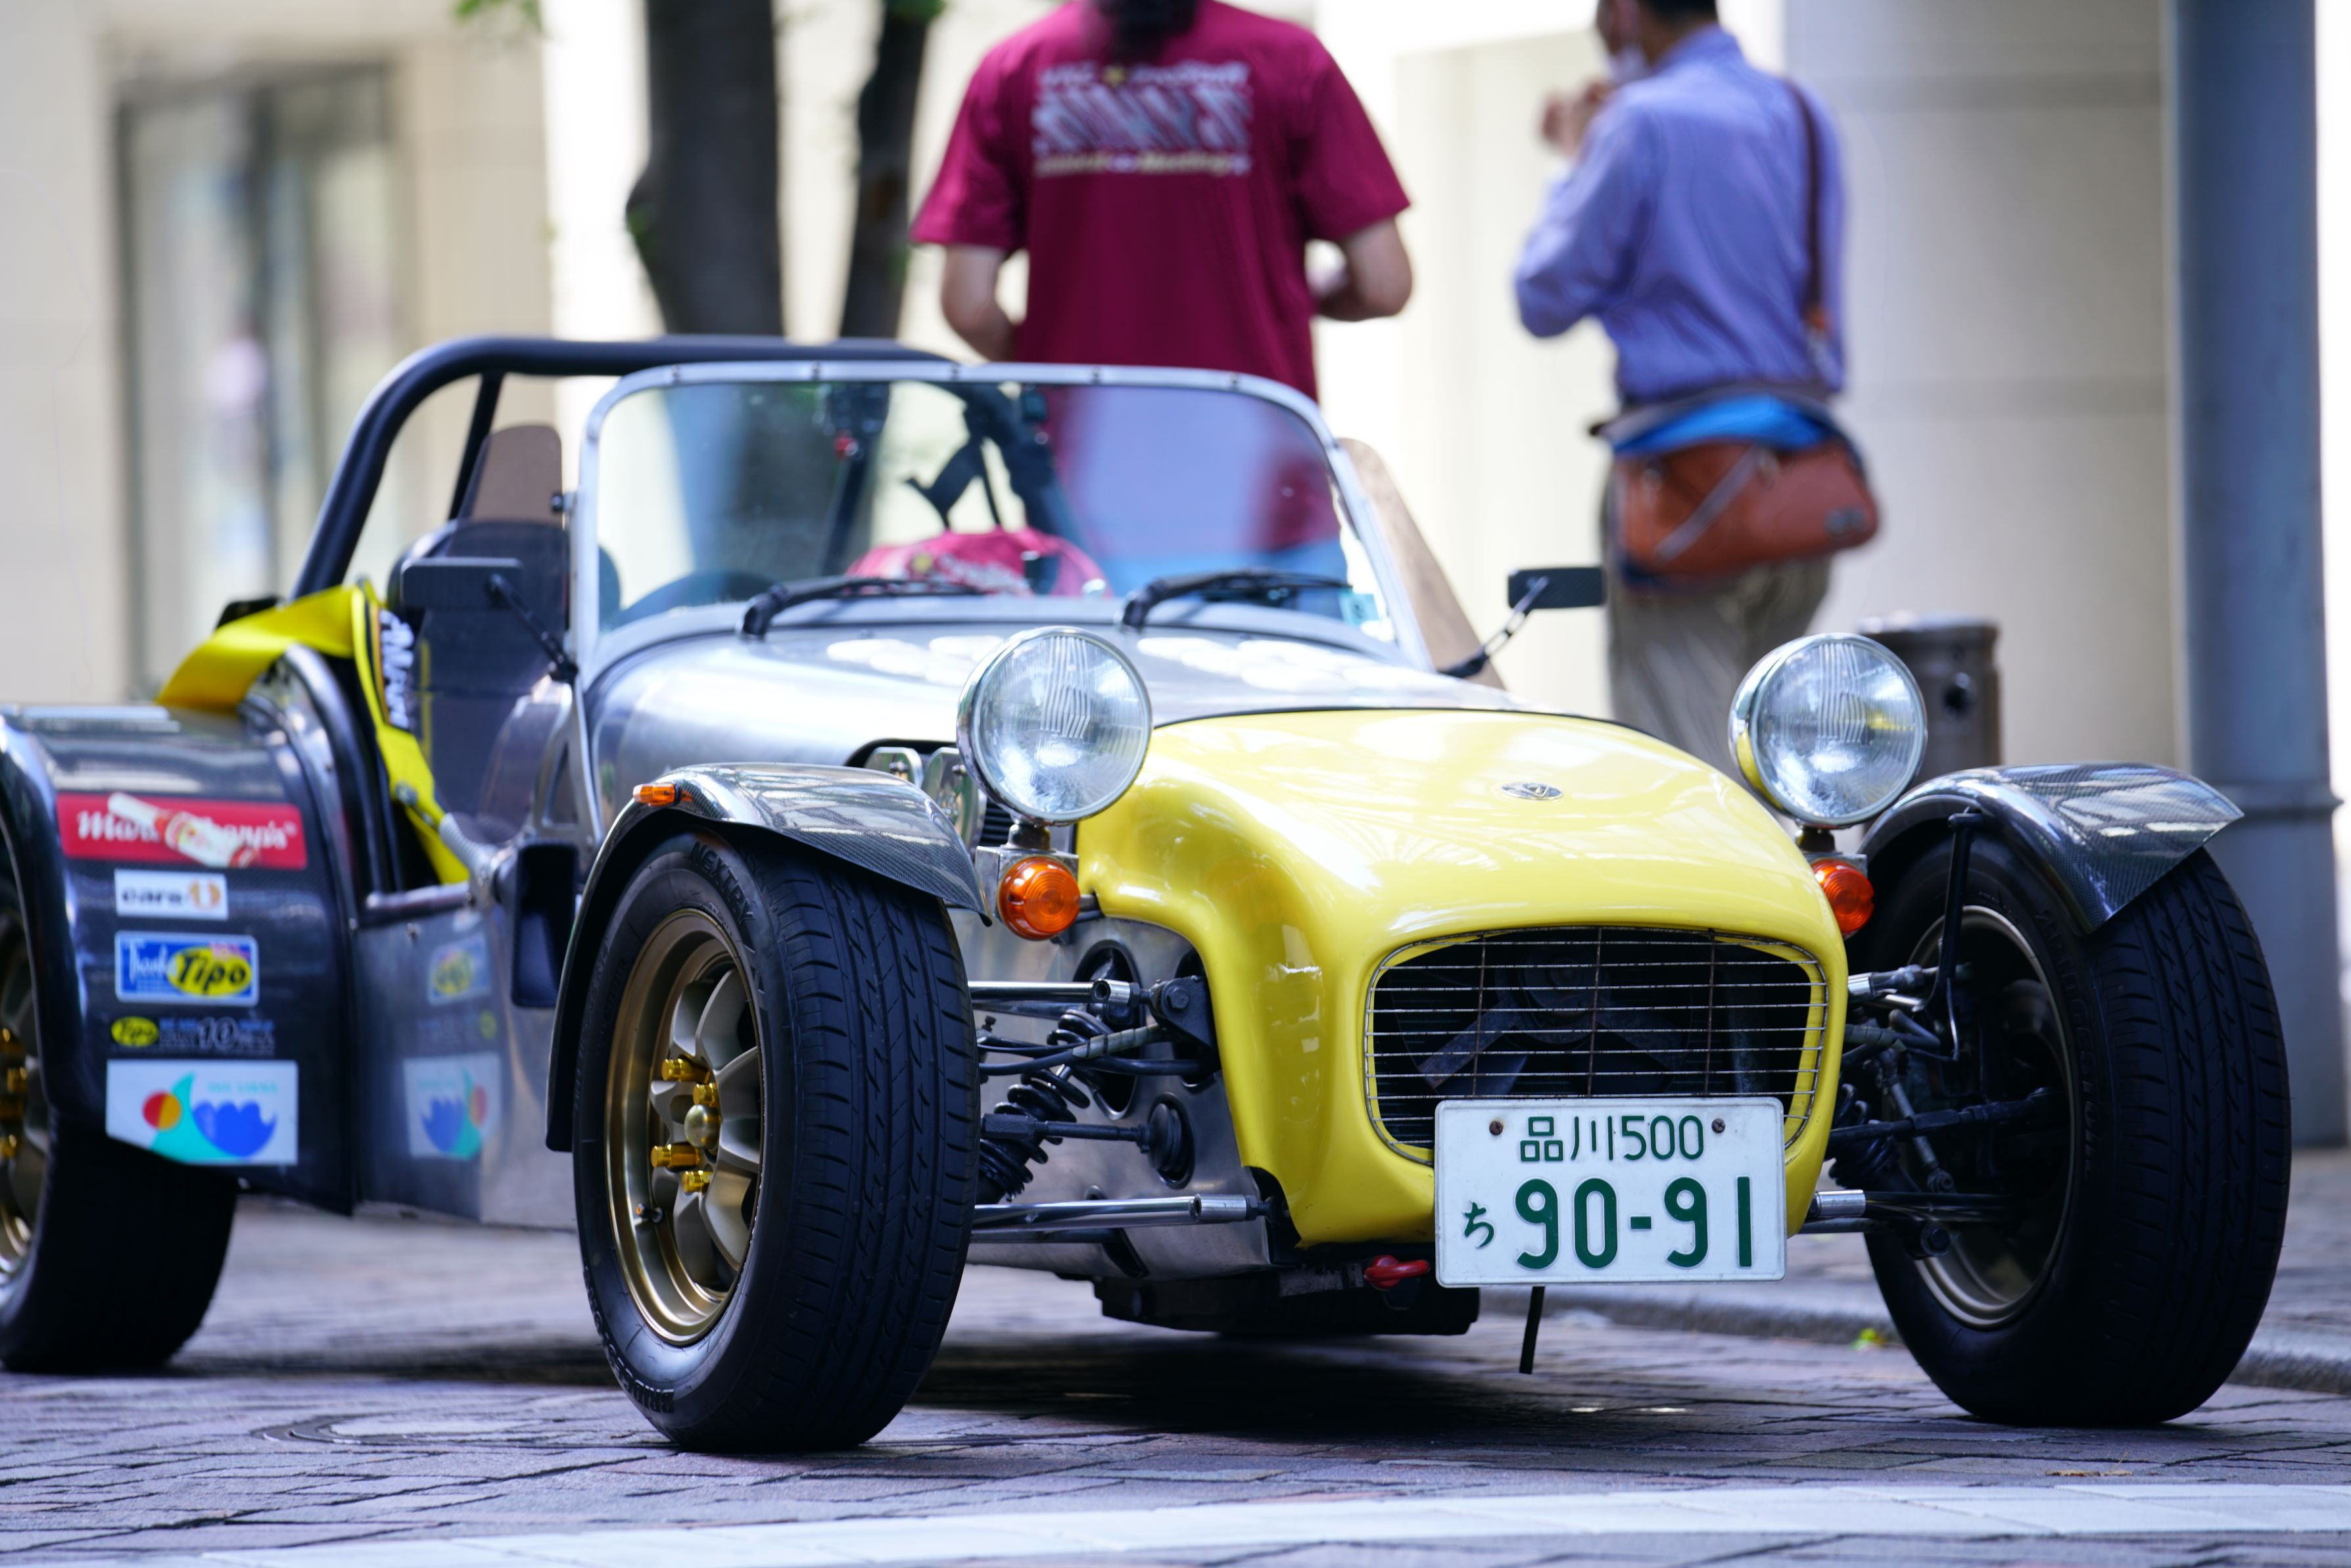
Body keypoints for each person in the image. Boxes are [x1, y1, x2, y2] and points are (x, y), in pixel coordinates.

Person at [1514, 0, 1851, 776]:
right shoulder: (1803, 113)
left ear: (1627, 14)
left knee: (1684, 768)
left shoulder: (1637, 124)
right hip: (1803, 476)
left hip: (1684, 486)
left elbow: (1544, 296)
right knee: (1777, 762)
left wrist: (1574, 158)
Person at [911, 0, 1413, 400]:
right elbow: (1384, 285)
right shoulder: (1291, 59)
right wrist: (1297, 297)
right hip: (1258, 444)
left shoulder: (1015, 66)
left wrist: (1055, 370)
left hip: (1077, 447)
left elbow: (968, 306)